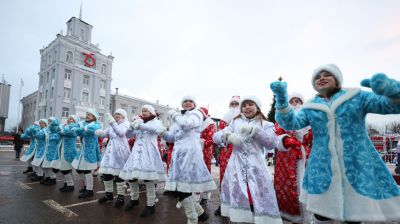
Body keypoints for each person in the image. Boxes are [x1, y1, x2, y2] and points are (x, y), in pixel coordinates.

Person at [270, 64, 400, 223]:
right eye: (317, 77)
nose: (321, 78)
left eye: (327, 75)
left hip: (356, 166)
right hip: (322, 169)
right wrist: (282, 99)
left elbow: (388, 105)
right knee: (321, 215)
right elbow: (291, 122)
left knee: (354, 215)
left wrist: (392, 92)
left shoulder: (356, 96)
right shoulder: (311, 106)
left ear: (337, 79)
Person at [213, 96, 282, 224]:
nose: (247, 107)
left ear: (257, 107)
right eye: (244, 105)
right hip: (236, 169)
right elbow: (215, 137)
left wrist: (256, 131)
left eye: (250, 104)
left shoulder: (266, 124)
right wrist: (227, 136)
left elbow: (272, 143)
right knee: (239, 200)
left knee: (255, 201)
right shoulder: (235, 122)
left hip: (256, 170)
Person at [162, 95, 217, 224]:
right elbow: (172, 138)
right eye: (185, 101)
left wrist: (175, 115)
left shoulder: (195, 114)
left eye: (190, 101)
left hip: (190, 155)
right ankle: (200, 213)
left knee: (183, 189)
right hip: (178, 155)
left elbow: (187, 125)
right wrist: (162, 132)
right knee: (180, 189)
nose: (187, 103)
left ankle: (193, 218)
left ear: (194, 104)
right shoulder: (181, 118)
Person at [120, 105, 166, 217]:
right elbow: (128, 135)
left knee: (148, 179)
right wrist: (131, 126)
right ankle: (134, 199)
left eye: (146, 111)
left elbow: (157, 130)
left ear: (151, 112)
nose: (143, 112)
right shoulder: (138, 121)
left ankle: (151, 205)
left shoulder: (156, 122)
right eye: (142, 111)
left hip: (149, 153)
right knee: (131, 177)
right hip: (136, 153)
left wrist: (141, 126)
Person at [274, 92, 313, 223]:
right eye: (292, 101)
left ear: (302, 103)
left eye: (298, 101)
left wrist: (304, 137)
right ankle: (287, 213)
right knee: (286, 186)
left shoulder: (308, 117)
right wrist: (285, 140)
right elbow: (276, 135)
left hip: (303, 156)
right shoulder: (281, 117)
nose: (295, 103)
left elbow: (311, 137)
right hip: (285, 157)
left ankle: (305, 217)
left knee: (303, 185)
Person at [95, 109, 131, 208]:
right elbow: (105, 134)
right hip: (110, 153)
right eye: (115, 114)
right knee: (107, 174)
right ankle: (108, 195)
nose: (116, 115)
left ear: (124, 116)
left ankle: (120, 197)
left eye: (119, 114)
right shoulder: (112, 124)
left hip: (120, 152)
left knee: (119, 175)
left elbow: (120, 133)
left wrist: (112, 122)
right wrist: (99, 132)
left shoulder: (126, 124)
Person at [213, 95, 241, 216]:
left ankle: (239, 205)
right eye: (232, 104)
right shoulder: (224, 119)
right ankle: (223, 204)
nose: (234, 106)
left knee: (239, 179)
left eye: (236, 104)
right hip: (226, 153)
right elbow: (218, 135)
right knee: (225, 178)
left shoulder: (243, 118)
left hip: (239, 152)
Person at [71, 108, 102, 198]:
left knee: (87, 170)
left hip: (90, 151)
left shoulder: (96, 124)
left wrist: (82, 128)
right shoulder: (84, 124)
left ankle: (89, 189)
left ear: (94, 117)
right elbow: (77, 130)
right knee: (79, 169)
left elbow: (90, 129)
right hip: (82, 150)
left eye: (89, 114)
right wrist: (80, 128)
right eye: (87, 114)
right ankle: (87, 186)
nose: (87, 115)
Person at [193, 107, 216, 207]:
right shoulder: (194, 123)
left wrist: (199, 142)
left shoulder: (210, 124)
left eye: (200, 113)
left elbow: (211, 139)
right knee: (195, 173)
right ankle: (195, 196)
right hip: (194, 152)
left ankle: (205, 197)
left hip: (205, 152)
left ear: (204, 114)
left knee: (205, 173)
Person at [58, 115, 80, 192]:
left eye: (71, 119)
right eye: (68, 118)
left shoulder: (74, 127)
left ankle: (70, 185)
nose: (68, 120)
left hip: (69, 151)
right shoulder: (67, 126)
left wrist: (61, 128)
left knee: (65, 169)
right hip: (64, 149)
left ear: (75, 121)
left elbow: (65, 132)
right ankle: (66, 183)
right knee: (65, 168)